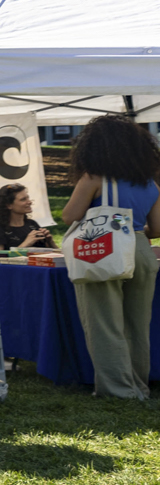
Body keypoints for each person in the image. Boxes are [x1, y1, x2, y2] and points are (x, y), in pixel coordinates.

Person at [59, 114, 160, 401]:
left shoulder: (93, 177)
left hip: (104, 251)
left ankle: (118, 390)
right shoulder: (150, 184)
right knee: (137, 325)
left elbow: (70, 215)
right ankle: (140, 386)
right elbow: (158, 228)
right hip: (141, 249)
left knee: (104, 323)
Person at [0, 183, 53, 251]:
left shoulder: (32, 224)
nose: (29, 202)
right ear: (9, 205)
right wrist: (26, 244)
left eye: (28, 198)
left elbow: (57, 255)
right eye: (23, 199)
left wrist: (50, 242)